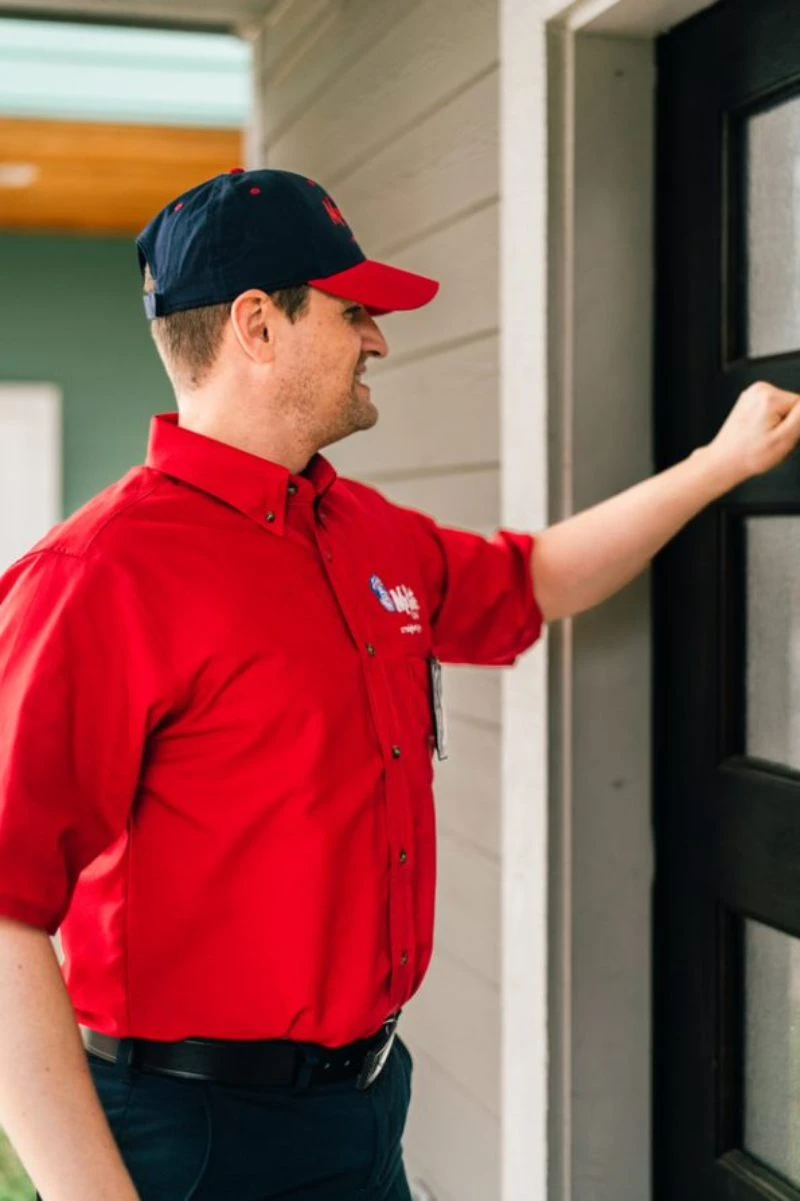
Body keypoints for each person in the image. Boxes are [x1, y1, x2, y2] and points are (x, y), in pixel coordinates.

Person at [0, 167, 799, 1201]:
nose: (377, 339)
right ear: (258, 326)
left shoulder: (361, 531)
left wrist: (719, 462)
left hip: (365, 1109)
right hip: (191, 1138)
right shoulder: (97, 578)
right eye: (354, 311)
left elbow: (533, 578)